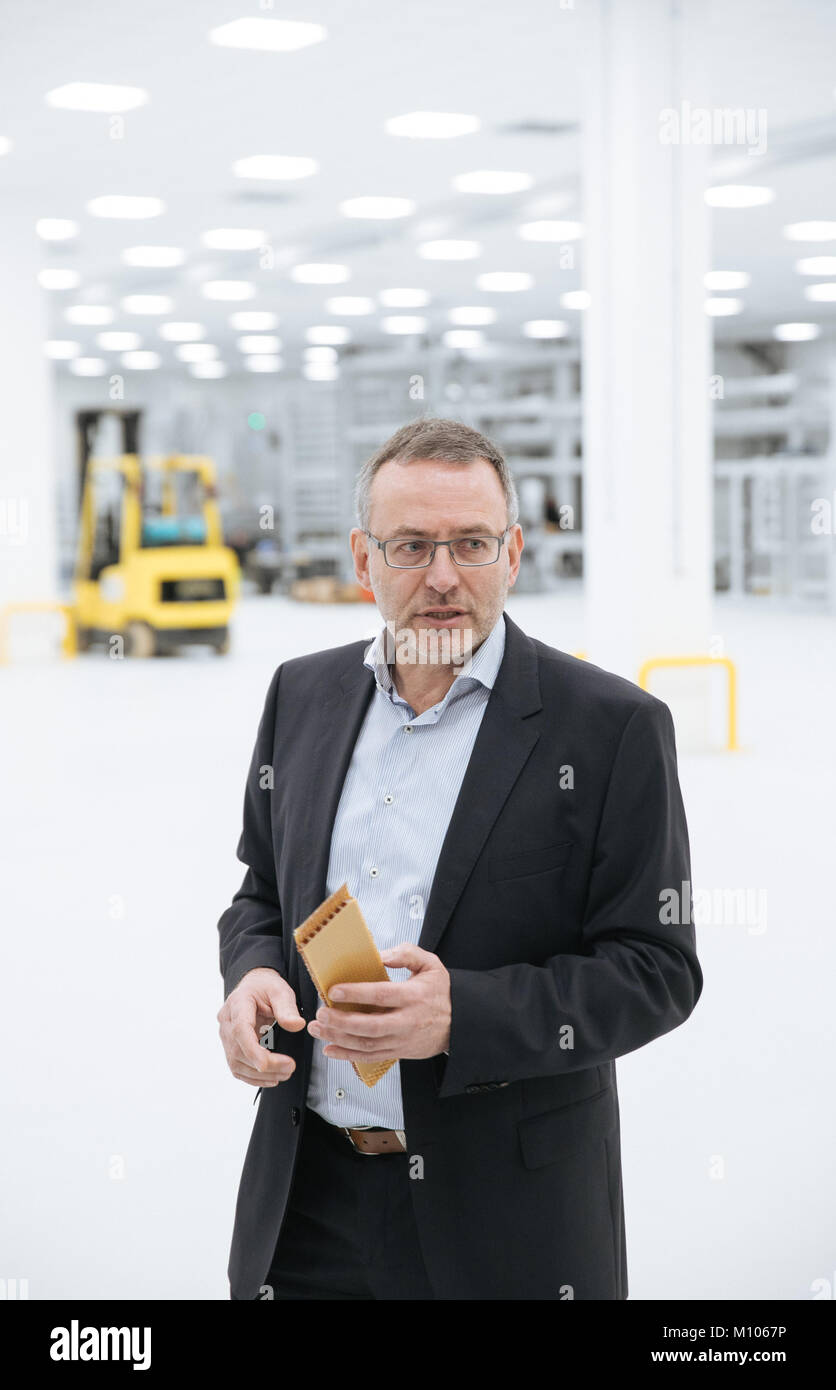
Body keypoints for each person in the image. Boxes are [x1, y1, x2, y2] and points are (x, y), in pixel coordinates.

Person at [216, 416, 702, 1300]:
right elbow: (259, 892)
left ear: (513, 552)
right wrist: (250, 974)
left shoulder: (610, 729)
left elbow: (657, 968)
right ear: (364, 562)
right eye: (411, 546)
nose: (443, 577)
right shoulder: (302, 694)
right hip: (306, 1197)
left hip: (504, 1225)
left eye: (471, 543)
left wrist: (462, 1016)